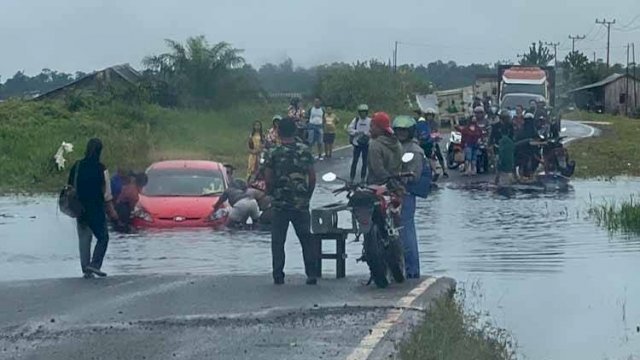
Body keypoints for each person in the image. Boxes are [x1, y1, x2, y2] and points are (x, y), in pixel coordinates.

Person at [263, 117, 318, 285]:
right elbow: (312, 176)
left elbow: (268, 178)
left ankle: (278, 274)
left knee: (278, 241)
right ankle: (311, 273)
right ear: (295, 131)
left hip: (280, 203)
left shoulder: (273, 152)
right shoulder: (305, 150)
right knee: (306, 239)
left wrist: (271, 193)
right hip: (301, 203)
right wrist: (307, 195)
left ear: (278, 131)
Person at [68, 138, 118, 279]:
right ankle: (95, 264)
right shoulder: (101, 168)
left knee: (84, 239)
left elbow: (70, 187)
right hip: (96, 208)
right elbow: (107, 194)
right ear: (100, 151)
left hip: (80, 209)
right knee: (103, 237)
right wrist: (112, 212)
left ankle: (86, 269)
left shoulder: (77, 166)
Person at [392, 115, 426, 279]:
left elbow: (414, 176)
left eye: (404, 131)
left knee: (406, 231)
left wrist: (400, 178)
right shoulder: (396, 146)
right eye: (398, 130)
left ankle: (412, 271)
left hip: (406, 194)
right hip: (392, 193)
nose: (401, 133)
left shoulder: (414, 150)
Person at [367, 112, 403, 185]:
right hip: (396, 184)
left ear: (379, 128)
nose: (370, 130)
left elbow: (378, 170)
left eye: (372, 126)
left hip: (377, 186)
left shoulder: (375, 144)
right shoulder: (397, 143)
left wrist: (388, 182)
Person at [456, 107, 484, 176]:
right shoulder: (467, 128)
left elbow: (481, 135)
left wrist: (480, 140)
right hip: (468, 145)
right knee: (468, 158)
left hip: (474, 145)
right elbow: (463, 136)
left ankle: (473, 170)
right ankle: (468, 170)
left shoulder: (477, 128)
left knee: (473, 158)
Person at [347, 104, 371, 183]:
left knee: (365, 162)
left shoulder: (370, 121)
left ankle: (363, 178)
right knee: (355, 161)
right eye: (361, 112)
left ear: (366, 113)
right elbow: (349, 129)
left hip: (366, 144)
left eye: (364, 112)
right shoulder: (356, 120)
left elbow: (373, 131)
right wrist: (356, 132)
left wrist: (367, 134)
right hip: (357, 143)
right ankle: (351, 178)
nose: (362, 114)